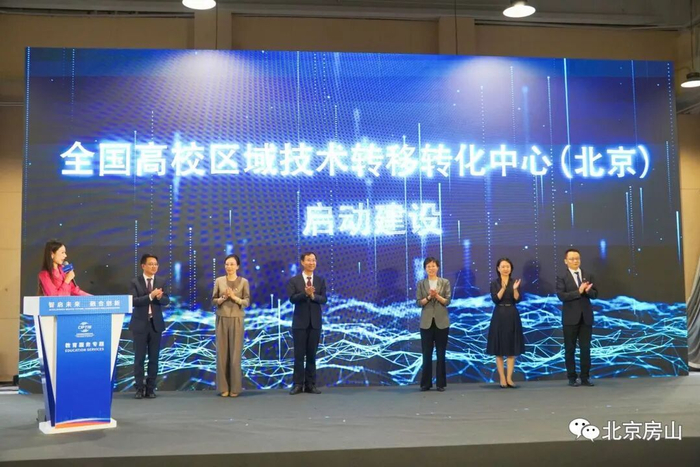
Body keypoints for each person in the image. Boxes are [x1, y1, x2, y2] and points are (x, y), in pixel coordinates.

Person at [129, 254, 170, 399]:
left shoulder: (161, 281)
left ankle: (151, 388)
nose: (154, 267)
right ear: (143, 266)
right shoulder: (135, 282)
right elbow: (133, 301)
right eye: (151, 264)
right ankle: (139, 388)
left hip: (155, 324)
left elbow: (167, 300)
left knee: (154, 359)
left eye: (156, 264)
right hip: (140, 324)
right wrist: (151, 296)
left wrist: (160, 297)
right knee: (139, 359)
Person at [556, 248, 598, 387]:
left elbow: (595, 294)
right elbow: (562, 296)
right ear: (566, 261)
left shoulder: (588, 275)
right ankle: (572, 377)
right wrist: (578, 291)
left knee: (585, 349)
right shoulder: (562, 277)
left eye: (577, 258)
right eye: (572, 259)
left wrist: (588, 291)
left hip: (586, 317)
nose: (575, 261)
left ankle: (585, 377)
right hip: (570, 318)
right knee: (570, 349)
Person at [286, 252, 327, 395]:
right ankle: (298, 384)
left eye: (314, 260)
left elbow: (324, 299)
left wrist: (313, 295)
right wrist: (305, 294)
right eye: (309, 260)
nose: (312, 263)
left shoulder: (320, 280)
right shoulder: (294, 281)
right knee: (299, 355)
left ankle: (310, 384)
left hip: (315, 323)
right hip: (299, 323)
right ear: (302, 262)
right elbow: (292, 299)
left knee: (311, 355)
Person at [212, 254, 250, 397]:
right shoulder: (219, 281)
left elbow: (246, 302)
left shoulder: (244, 282)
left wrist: (234, 298)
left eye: (232, 264)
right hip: (222, 319)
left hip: (237, 319)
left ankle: (235, 388)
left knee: (235, 356)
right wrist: (223, 298)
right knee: (222, 355)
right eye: (227, 264)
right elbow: (213, 300)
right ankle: (223, 388)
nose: (229, 267)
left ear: (237, 266)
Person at [486, 258, 525, 388]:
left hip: (512, 314)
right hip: (499, 314)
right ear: (498, 268)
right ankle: (502, 378)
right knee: (499, 349)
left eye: (508, 266)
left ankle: (509, 378)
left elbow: (517, 299)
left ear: (511, 268)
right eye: (503, 266)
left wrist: (515, 289)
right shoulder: (494, 283)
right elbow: (495, 299)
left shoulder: (515, 282)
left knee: (511, 349)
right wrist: (502, 288)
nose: (505, 269)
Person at [415, 257, 451, 392]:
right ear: (425, 269)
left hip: (442, 322)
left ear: (438, 267)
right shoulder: (421, 283)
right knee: (426, 354)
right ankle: (426, 383)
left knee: (441, 354)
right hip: (426, 323)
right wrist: (429, 297)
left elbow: (447, 301)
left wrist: (437, 296)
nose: (431, 268)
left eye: (433, 266)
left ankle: (440, 383)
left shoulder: (445, 282)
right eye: (428, 266)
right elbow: (419, 303)